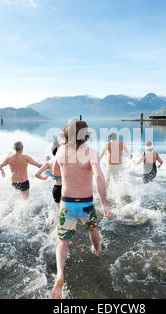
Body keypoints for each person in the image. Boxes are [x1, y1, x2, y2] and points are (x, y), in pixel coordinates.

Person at [50, 120, 110, 299]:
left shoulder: (60, 151)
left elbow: (55, 170)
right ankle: (97, 251)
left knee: (62, 242)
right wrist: (104, 203)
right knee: (93, 229)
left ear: (67, 134)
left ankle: (60, 273)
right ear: (85, 135)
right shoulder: (91, 153)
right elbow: (99, 176)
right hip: (86, 204)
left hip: (67, 204)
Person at [35, 140, 62, 209]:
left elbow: (37, 174)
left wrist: (44, 178)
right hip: (66, 188)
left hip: (56, 188)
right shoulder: (67, 161)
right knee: (69, 211)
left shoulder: (48, 162)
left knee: (59, 211)